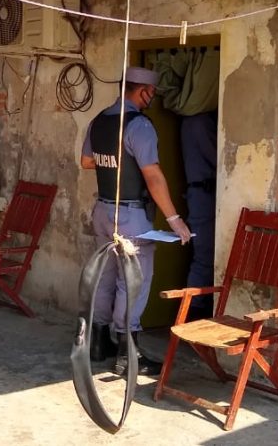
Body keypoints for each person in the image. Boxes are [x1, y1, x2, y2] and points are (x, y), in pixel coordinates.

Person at [80, 66, 192, 377]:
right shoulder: (139, 126)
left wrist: (113, 162)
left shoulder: (100, 121)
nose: (151, 99)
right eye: (151, 94)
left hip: (103, 210)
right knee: (132, 283)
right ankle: (128, 355)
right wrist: (174, 218)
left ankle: (98, 343)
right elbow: (153, 176)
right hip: (130, 215)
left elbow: (87, 161)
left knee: (104, 278)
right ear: (142, 91)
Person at [180, 111, 218, 321]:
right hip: (204, 195)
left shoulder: (191, 121)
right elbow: (220, 158)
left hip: (199, 194)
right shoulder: (201, 121)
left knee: (202, 258)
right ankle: (192, 316)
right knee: (204, 259)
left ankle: (192, 313)